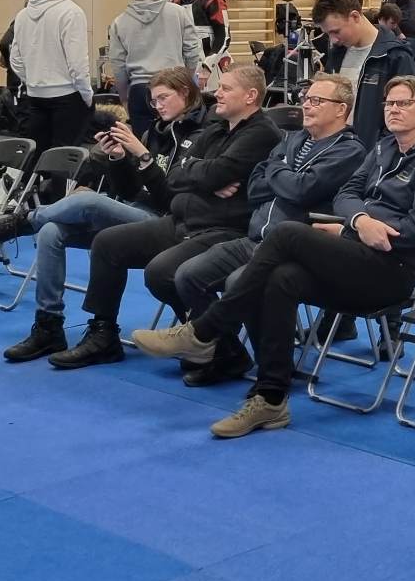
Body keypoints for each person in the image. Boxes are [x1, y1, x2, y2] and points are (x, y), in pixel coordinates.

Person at [133, 74, 415, 438]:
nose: (394, 110)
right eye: (389, 103)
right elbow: (347, 195)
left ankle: (204, 330)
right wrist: (360, 221)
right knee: (279, 279)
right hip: (357, 254)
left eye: (404, 103)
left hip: (394, 272)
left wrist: (350, 228)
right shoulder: (383, 149)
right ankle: (271, 398)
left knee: (287, 232)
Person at [50, 66, 282, 369]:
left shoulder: (261, 133)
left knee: (161, 273)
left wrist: (200, 173)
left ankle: (220, 345)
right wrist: (204, 176)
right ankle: (103, 335)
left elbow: (209, 173)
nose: (217, 93)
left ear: (250, 96)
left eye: (226, 88)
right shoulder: (217, 128)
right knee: (107, 243)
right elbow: (175, 175)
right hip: (182, 219)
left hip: (222, 228)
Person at [146, 73, 368, 386]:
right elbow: (255, 185)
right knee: (187, 275)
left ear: (341, 109)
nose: (306, 105)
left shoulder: (349, 151)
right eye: (306, 98)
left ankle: (271, 372)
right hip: (255, 237)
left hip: (297, 248)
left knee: (240, 281)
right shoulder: (293, 139)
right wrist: (283, 175)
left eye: (317, 100)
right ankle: (226, 352)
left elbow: (301, 190)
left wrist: (276, 170)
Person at [0, 67, 205, 363]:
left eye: (163, 98)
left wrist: (144, 156)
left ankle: (25, 220)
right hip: (136, 212)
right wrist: (117, 158)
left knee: (88, 201)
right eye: (153, 100)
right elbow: (129, 191)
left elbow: (172, 201)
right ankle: (49, 326)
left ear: (185, 93)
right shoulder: (155, 131)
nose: (157, 106)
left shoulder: (201, 137)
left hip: (168, 223)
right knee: (51, 232)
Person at [8, 0, 97, 161]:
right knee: (64, 160)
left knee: (38, 158)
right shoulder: (72, 12)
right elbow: (77, 63)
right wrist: (87, 95)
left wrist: (33, 80)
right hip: (67, 95)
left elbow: (16, 60)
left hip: (35, 96)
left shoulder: (23, 15)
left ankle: (39, 184)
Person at [105, 0, 202, 137]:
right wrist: (186, 80)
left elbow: (118, 67)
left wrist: (125, 98)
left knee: (144, 143)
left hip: (140, 89)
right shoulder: (178, 13)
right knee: (178, 140)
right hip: (174, 86)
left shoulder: (119, 23)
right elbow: (192, 51)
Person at [314, 0, 412, 142]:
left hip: (372, 151)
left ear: (355, 17)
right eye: (328, 34)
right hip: (336, 147)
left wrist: (380, 151)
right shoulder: (337, 52)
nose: (333, 40)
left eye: (336, 31)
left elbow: (406, 117)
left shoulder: (396, 56)